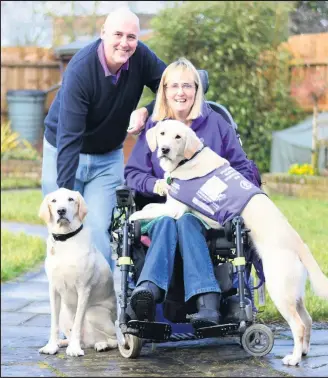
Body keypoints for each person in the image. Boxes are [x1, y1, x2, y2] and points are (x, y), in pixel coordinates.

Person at [124, 57, 261, 329]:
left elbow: (243, 168)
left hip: (207, 212)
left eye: (187, 85)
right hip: (163, 208)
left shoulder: (216, 124)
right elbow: (133, 173)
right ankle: (152, 295)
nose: (180, 92)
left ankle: (197, 299)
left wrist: (234, 196)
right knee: (168, 222)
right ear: (164, 90)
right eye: (173, 86)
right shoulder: (155, 127)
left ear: (197, 90)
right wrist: (157, 185)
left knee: (186, 221)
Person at [41, 8, 167, 271]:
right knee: (64, 229)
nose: (124, 42)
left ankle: (100, 307)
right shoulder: (81, 70)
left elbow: (173, 86)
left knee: (98, 231)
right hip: (63, 150)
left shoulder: (141, 56)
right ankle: (65, 306)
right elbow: (69, 138)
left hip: (107, 157)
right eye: (118, 34)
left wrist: (147, 109)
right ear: (102, 34)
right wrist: (65, 195)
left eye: (131, 36)